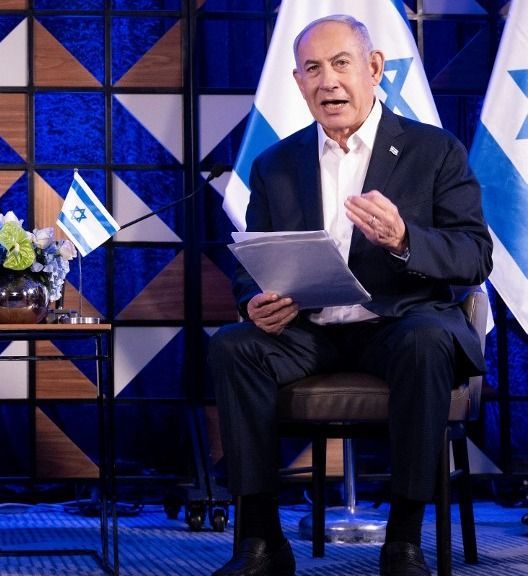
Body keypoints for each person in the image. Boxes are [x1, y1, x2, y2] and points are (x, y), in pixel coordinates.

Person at [208, 14, 491, 576]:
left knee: (428, 340)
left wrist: (405, 239)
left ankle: (404, 541)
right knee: (233, 346)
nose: (328, 81)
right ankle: (261, 541)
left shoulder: (434, 152)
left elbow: (473, 256)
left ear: (375, 69)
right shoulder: (274, 164)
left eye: (341, 64)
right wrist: (255, 303)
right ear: (297, 82)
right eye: (312, 69)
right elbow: (254, 264)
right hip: (309, 330)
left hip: (400, 324)